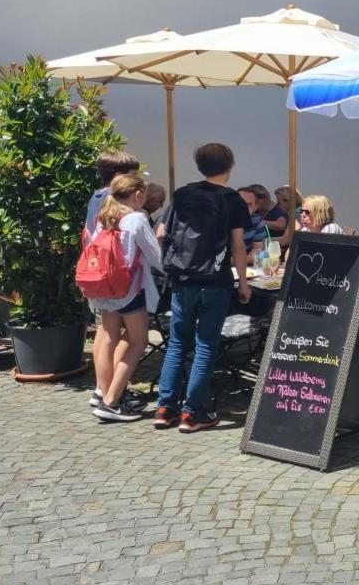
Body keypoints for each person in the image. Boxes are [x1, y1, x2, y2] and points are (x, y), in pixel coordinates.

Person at [154, 143, 251, 433]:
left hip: (182, 280)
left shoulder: (183, 194)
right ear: (230, 166)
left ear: (199, 166)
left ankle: (164, 408)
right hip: (215, 282)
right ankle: (192, 414)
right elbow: (237, 246)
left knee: (177, 343)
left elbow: (161, 233)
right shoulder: (232, 199)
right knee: (206, 345)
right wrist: (243, 283)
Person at [87, 173, 164, 422]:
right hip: (129, 289)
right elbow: (157, 259)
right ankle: (111, 402)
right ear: (138, 195)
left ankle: (104, 392)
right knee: (138, 342)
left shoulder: (104, 216)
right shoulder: (137, 219)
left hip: (103, 288)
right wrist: (160, 239)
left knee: (109, 336)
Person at [85, 151, 141, 409]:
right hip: (119, 278)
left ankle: (101, 388)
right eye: (132, 174)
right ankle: (111, 393)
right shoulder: (115, 200)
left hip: (97, 275)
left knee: (106, 334)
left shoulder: (95, 197)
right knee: (127, 335)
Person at [236, 186, 264, 251]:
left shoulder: (257, 220)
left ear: (256, 207)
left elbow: (258, 251)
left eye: (248, 204)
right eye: (240, 203)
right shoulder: (223, 220)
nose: (243, 207)